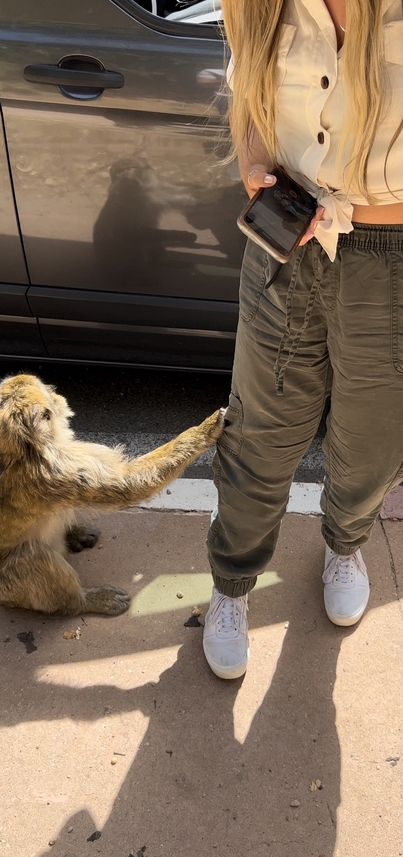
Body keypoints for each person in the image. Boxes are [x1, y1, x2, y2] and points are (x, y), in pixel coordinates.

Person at [203, 0, 403, 679]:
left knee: (374, 437)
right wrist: (254, 161)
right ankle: (231, 583)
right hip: (285, 240)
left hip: (391, 254)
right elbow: (245, 76)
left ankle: (344, 542)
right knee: (260, 428)